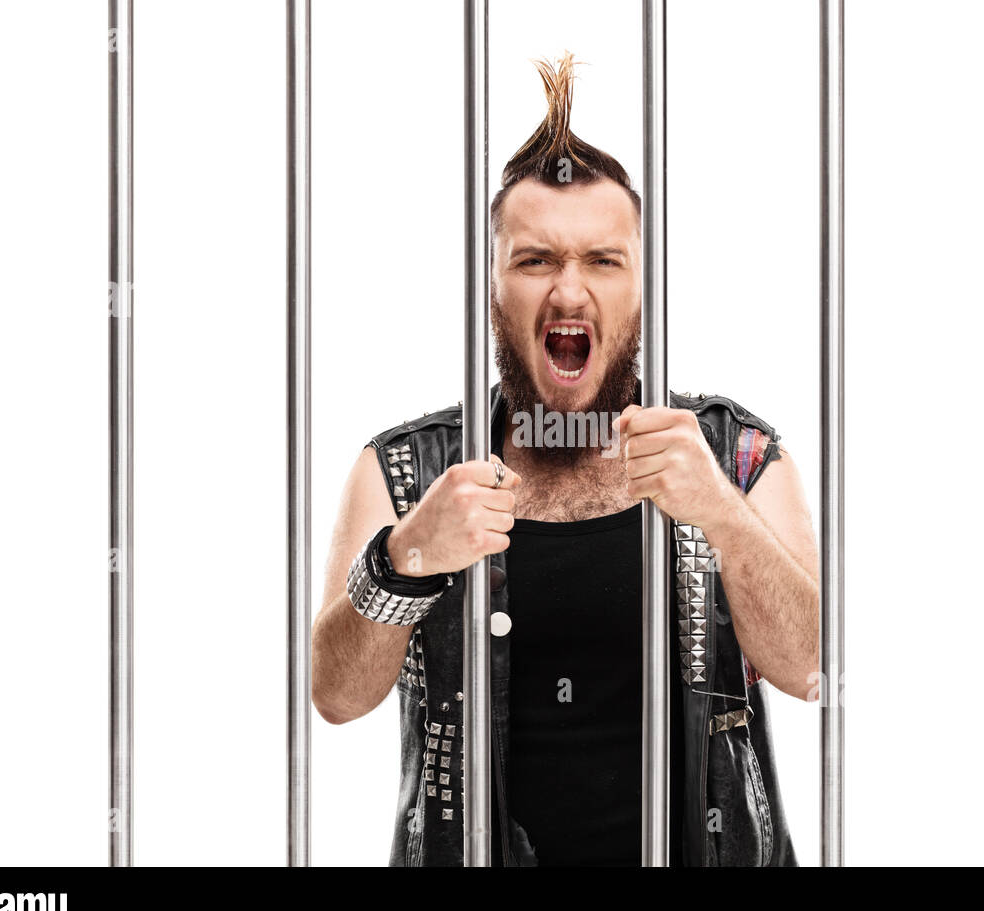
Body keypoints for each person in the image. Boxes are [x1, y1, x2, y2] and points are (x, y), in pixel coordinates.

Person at [312, 52, 819, 866]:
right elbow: (334, 696)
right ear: (492, 288)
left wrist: (721, 513)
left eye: (603, 261)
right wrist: (410, 558)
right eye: (536, 260)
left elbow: (813, 670)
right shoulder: (404, 471)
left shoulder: (742, 456)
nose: (569, 292)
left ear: (642, 288)